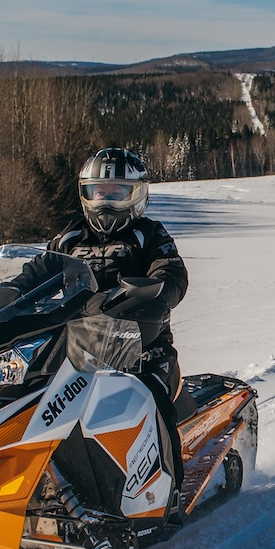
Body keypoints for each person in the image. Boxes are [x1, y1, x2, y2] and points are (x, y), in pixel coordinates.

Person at [50, 148, 190, 471]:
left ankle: (167, 492)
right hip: (74, 353)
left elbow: (171, 272)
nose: (106, 201)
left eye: (116, 192)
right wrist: (8, 293)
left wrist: (153, 298)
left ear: (135, 195)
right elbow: (37, 274)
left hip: (142, 351)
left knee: (154, 402)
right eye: (98, 192)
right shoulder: (68, 239)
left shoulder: (149, 234)